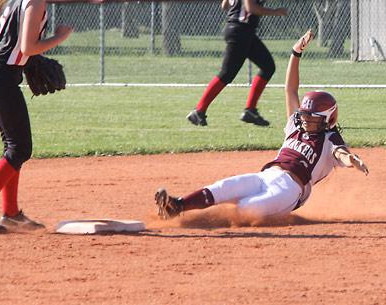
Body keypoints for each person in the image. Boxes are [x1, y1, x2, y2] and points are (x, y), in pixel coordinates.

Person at [155, 30, 369, 220]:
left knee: (248, 208)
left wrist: (352, 159)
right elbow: (290, 90)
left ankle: (202, 222)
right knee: (224, 187)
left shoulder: (330, 139)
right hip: (267, 175)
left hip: (291, 190)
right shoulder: (296, 124)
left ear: (328, 119)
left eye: (311, 117)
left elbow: (341, 154)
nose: (304, 119)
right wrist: (295, 53)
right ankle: (177, 206)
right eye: (304, 115)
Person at [0, 0, 73, 232]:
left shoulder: (11, 0)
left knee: (13, 148)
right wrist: (60, 37)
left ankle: (11, 213)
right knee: (20, 148)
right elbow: (27, 48)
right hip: (3, 78)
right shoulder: (35, 3)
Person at [186, 0, 288, 127]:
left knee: (268, 67)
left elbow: (225, 5)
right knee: (226, 74)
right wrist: (275, 12)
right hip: (240, 31)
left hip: (243, 31)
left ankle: (250, 111)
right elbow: (250, 8)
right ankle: (199, 110)